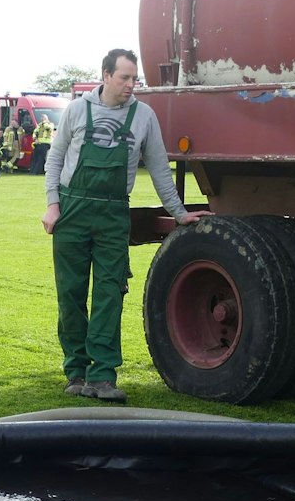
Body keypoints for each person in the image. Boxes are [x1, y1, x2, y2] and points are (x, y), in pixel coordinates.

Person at [42, 48, 204, 402]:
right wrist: (53, 206)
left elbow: (161, 169)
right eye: (125, 78)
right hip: (72, 210)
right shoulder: (76, 110)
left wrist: (178, 213)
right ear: (105, 75)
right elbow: (54, 159)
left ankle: (102, 376)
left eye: (136, 79)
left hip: (115, 213)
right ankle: (76, 370)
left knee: (110, 293)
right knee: (71, 294)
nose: (132, 85)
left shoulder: (144, 116)